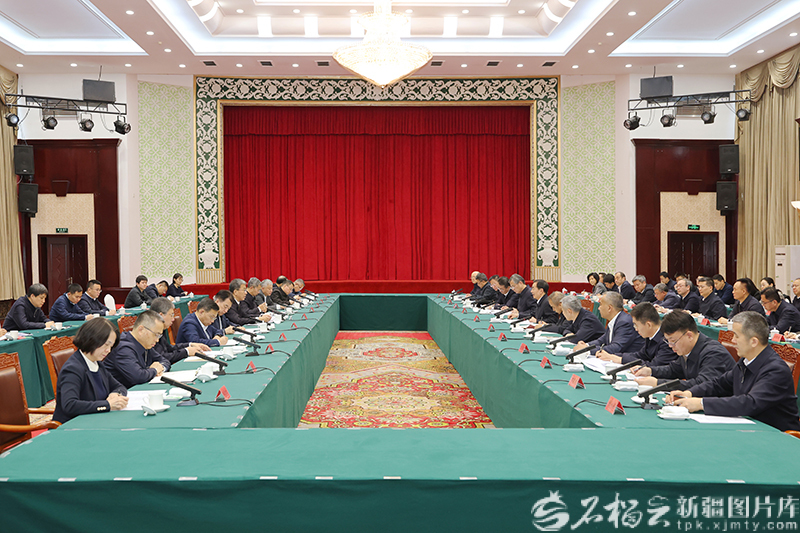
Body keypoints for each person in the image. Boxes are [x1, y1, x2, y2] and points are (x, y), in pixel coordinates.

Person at [667, 312, 800, 432]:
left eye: (736, 336)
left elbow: (750, 403)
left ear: (754, 341)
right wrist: (689, 393)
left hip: (777, 435)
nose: (732, 340)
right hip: (750, 428)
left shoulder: (775, 370)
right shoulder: (745, 361)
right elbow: (719, 384)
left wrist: (701, 403)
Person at [632, 310, 734, 391]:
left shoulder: (713, 353)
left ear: (689, 335)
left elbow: (703, 385)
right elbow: (673, 370)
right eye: (668, 341)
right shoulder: (688, 348)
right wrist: (650, 371)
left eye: (673, 341)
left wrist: (658, 383)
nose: (670, 346)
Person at [53, 318, 128, 424]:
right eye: (106, 345)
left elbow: (119, 387)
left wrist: (115, 394)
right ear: (92, 339)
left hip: (96, 420)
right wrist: (107, 405)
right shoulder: (72, 369)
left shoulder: (97, 364)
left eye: (111, 346)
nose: (108, 350)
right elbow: (70, 405)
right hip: (74, 425)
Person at [103, 310, 171, 389]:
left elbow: (165, 361)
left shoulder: (144, 343)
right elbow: (138, 377)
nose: (157, 340)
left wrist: (160, 368)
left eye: (159, 336)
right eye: (156, 335)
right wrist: (155, 370)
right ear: (141, 330)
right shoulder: (123, 348)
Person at [597, 302, 677, 367]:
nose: (635, 329)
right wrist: (612, 356)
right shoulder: (649, 336)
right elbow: (639, 355)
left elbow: (654, 366)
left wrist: (621, 360)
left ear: (648, 325)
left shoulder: (667, 340)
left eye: (636, 325)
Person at [574, 292, 644, 355]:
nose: (598, 308)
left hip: (628, 362)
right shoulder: (615, 319)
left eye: (600, 305)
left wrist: (586, 350)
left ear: (609, 308)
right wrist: (587, 345)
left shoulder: (624, 322)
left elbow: (615, 348)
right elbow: (602, 340)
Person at [150, 297, 208, 365]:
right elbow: (162, 357)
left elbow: (169, 348)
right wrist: (186, 351)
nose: (173, 319)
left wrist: (190, 345)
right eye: (171, 315)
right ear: (161, 315)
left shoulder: (161, 328)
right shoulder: (151, 332)